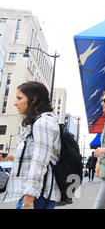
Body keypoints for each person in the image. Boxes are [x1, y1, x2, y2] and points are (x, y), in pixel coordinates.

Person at [0, 81, 61, 209]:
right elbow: (35, 155)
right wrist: (9, 157)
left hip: (38, 195)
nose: (15, 103)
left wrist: (28, 199)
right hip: (37, 193)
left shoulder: (42, 123)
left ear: (33, 100)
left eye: (19, 98)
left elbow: (40, 161)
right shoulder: (39, 122)